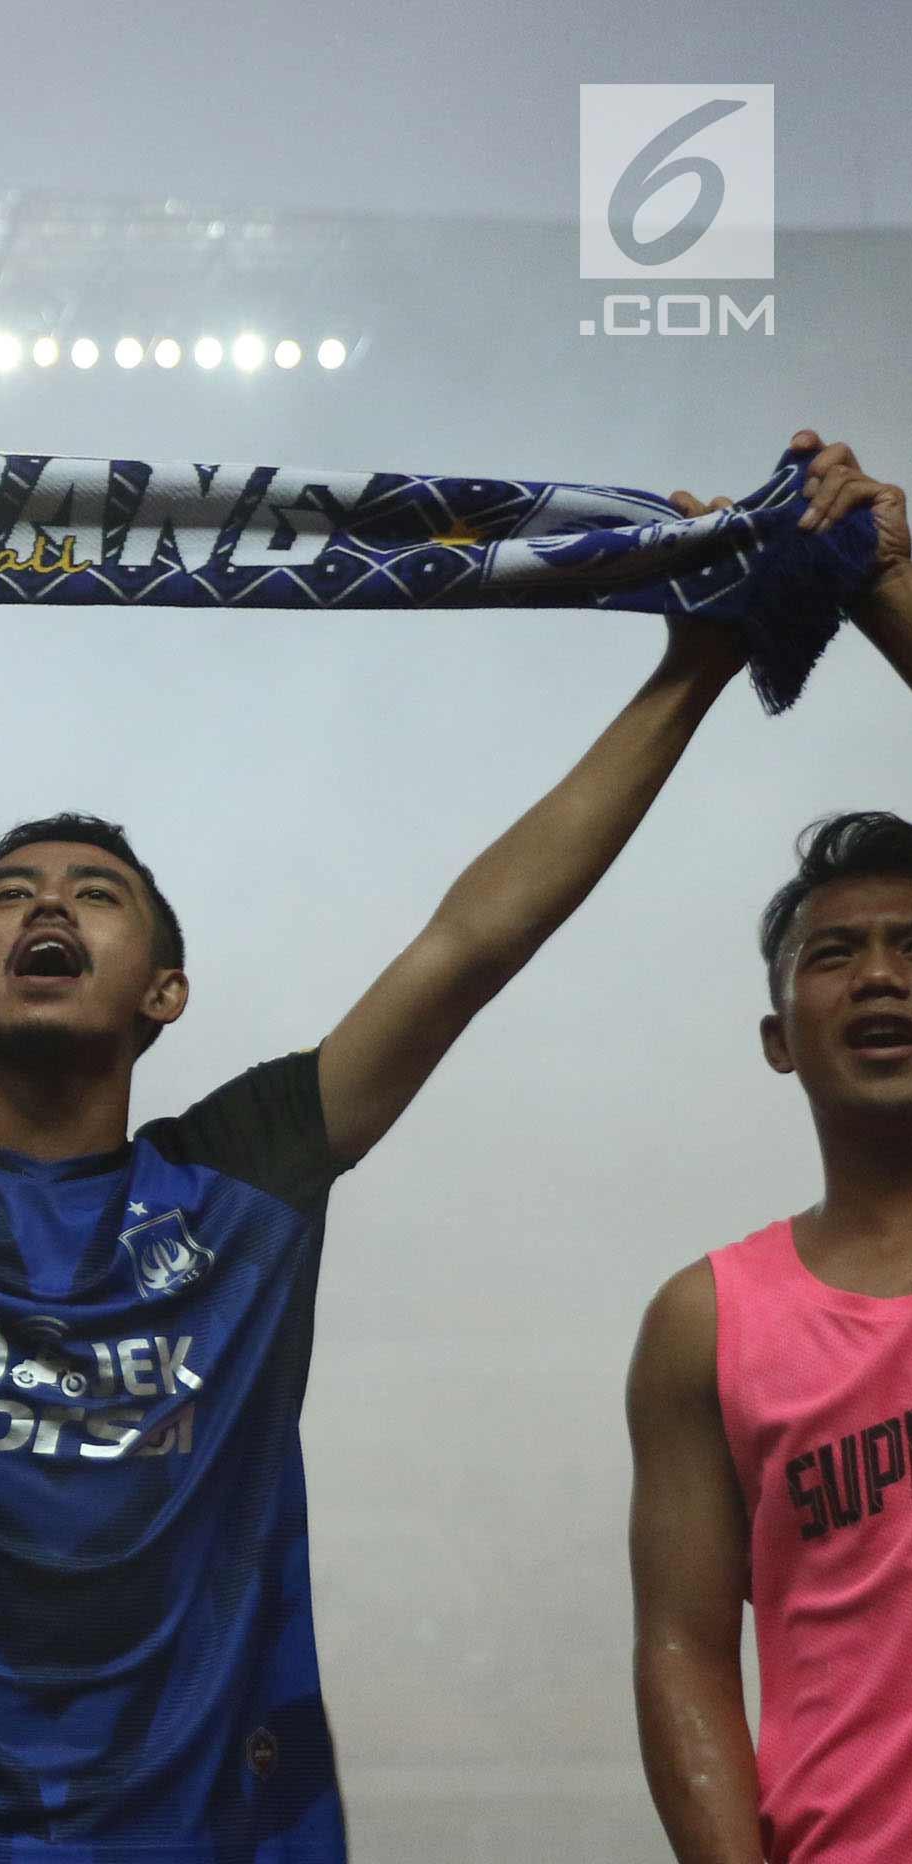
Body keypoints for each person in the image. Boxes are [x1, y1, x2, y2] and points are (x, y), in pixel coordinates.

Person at [0, 426, 870, 1858]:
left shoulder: (245, 1179)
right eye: (9, 894)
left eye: (97, 895)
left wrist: (692, 668)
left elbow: (474, 938)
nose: (48, 907)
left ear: (166, 991)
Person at [626, 445, 910, 1864]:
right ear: (776, 1034)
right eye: (836, 953)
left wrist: (879, 587)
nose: (877, 979)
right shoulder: (708, 1324)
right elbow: (682, 1648)